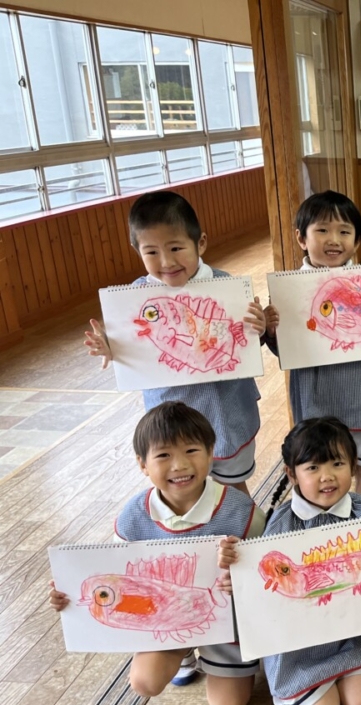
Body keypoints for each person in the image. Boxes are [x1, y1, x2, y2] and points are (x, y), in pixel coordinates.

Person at [48, 401, 265, 705]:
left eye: (191, 450)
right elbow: (111, 573)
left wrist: (241, 576)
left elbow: (263, 574)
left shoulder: (242, 512)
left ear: (211, 453)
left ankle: (216, 659)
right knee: (144, 681)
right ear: (143, 464)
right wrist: (67, 593)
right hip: (162, 621)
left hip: (226, 624)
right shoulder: (133, 516)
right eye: (163, 455)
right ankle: (182, 652)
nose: (179, 465)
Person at [218, 417, 361, 705]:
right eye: (313, 467)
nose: (327, 476)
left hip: (355, 637)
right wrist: (238, 580)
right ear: (291, 474)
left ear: (354, 465)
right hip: (300, 651)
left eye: (337, 463)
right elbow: (264, 587)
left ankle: (349, 670)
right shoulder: (279, 526)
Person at [84, 190, 266, 497]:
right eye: (151, 252)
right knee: (183, 492)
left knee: (233, 488)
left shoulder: (225, 285)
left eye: (176, 248)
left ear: (200, 243)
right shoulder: (134, 298)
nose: (166, 261)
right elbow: (131, 348)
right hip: (171, 415)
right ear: (137, 251)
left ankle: (242, 527)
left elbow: (244, 346)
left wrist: (257, 329)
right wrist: (109, 347)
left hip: (228, 410)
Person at [261, 191, 361, 501]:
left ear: (356, 241)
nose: (334, 240)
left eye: (344, 232)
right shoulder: (288, 291)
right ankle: (324, 522)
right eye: (322, 230)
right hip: (318, 398)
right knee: (320, 470)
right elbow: (285, 350)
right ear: (301, 238)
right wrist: (272, 330)